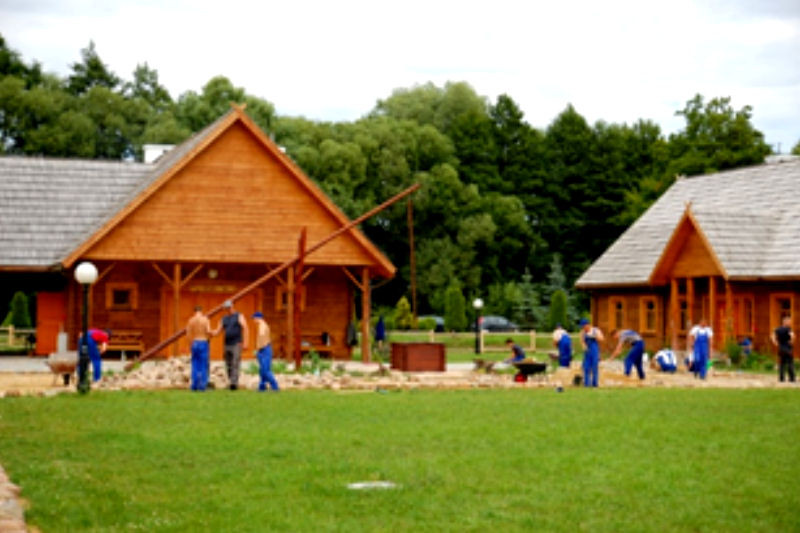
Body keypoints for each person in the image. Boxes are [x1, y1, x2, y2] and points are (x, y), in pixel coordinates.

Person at [212, 300, 248, 390]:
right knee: (228, 363)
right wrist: (209, 332)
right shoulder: (223, 319)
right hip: (227, 344)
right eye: (227, 308)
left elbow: (246, 328)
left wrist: (246, 343)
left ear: (232, 306)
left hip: (236, 343)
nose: (229, 309)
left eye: (230, 307)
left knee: (235, 362)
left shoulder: (239, 316)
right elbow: (217, 331)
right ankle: (231, 380)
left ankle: (234, 383)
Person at [186, 305, 212, 391]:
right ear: (201, 311)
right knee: (203, 364)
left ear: (194, 311)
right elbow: (208, 331)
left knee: (195, 364)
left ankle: (194, 385)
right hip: (203, 341)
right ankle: (202, 386)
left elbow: (188, 334)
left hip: (195, 341)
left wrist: (190, 343)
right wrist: (211, 335)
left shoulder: (191, 320)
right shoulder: (205, 319)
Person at [253, 311, 279, 391]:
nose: (253, 320)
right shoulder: (263, 325)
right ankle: (262, 387)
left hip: (264, 349)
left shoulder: (262, 326)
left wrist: (258, 349)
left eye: (254, 318)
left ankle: (274, 386)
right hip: (263, 349)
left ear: (257, 318)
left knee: (265, 370)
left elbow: (262, 336)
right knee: (262, 370)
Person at [579, 318, 604, 387]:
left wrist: (595, 336)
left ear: (588, 325)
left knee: (594, 366)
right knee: (586, 367)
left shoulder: (595, 330)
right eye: (582, 327)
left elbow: (602, 339)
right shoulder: (582, 332)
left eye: (584, 326)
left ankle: (595, 384)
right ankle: (587, 384)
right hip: (587, 351)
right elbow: (582, 341)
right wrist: (584, 346)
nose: (583, 328)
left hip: (594, 350)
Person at [770, 316, 795, 382]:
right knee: (790, 363)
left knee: (782, 364)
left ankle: (781, 378)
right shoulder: (788, 329)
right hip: (788, 348)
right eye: (789, 321)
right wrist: (792, 341)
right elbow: (792, 335)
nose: (790, 323)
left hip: (781, 348)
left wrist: (775, 342)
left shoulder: (777, 329)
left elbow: (773, 336)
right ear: (785, 322)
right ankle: (792, 378)